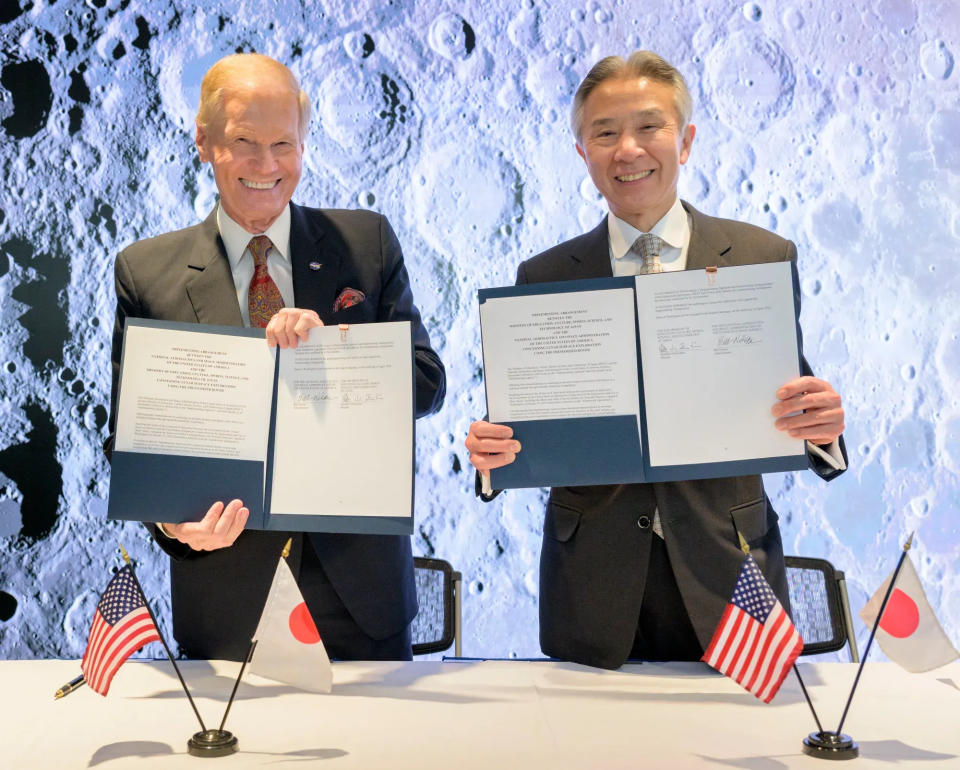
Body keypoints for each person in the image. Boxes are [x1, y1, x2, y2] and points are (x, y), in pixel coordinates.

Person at [465, 51, 846, 670]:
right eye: (605, 133)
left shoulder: (760, 254)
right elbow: (525, 424)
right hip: (593, 584)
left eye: (649, 127)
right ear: (582, 152)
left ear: (686, 140)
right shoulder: (544, 276)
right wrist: (491, 458)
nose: (628, 149)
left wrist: (822, 431)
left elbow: (790, 398)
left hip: (731, 570)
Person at [106, 53, 445, 661]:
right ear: (204, 142)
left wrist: (333, 357)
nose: (267, 166)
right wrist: (170, 524)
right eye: (244, 142)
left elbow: (426, 384)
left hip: (362, 597)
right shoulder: (145, 272)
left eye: (284, 144)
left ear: (305, 142)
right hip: (226, 596)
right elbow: (131, 442)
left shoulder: (366, 242)